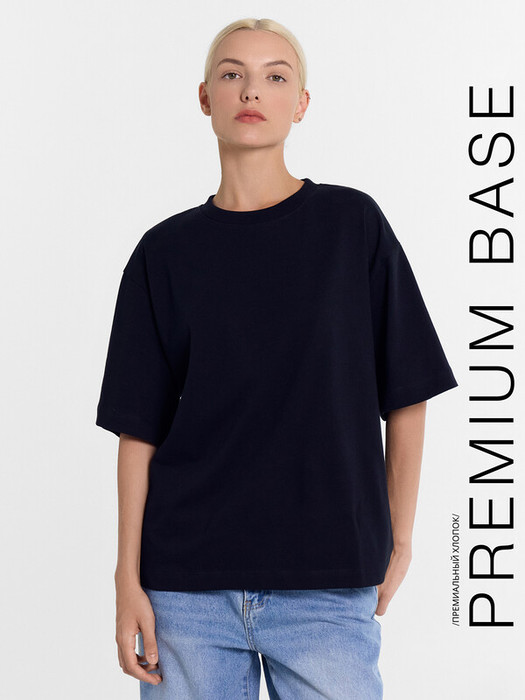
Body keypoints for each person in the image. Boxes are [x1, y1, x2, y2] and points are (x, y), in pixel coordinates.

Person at [95, 17, 458, 699]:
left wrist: (399, 536)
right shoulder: (163, 253)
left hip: (327, 582)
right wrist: (126, 579)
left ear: (301, 103)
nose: (251, 90)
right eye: (232, 73)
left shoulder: (352, 225)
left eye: (275, 76)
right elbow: (137, 431)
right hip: (186, 589)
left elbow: (407, 391)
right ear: (205, 97)